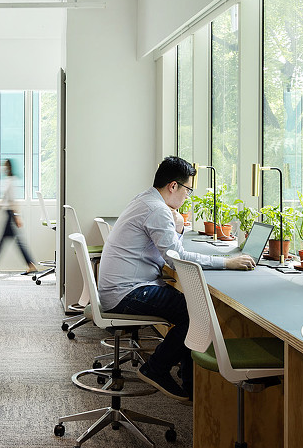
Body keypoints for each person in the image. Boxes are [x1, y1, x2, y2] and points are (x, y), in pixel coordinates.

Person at [97, 156, 254, 403]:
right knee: (196, 313)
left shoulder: (145, 199)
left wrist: (179, 229)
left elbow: (170, 253)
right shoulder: (156, 209)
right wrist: (227, 262)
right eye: (188, 190)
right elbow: (176, 259)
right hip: (127, 293)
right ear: (173, 186)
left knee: (189, 306)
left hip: (118, 288)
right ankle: (158, 369)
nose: (187, 197)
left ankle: (187, 379)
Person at [0, 159, 38, 274]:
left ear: (9, 168)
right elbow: (3, 200)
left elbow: (12, 201)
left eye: (5, 166)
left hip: (11, 214)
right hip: (9, 214)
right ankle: (30, 264)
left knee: (3, 241)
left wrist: (16, 217)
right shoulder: (8, 181)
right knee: (13, 241)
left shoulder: (12, 181)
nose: (3, 168)